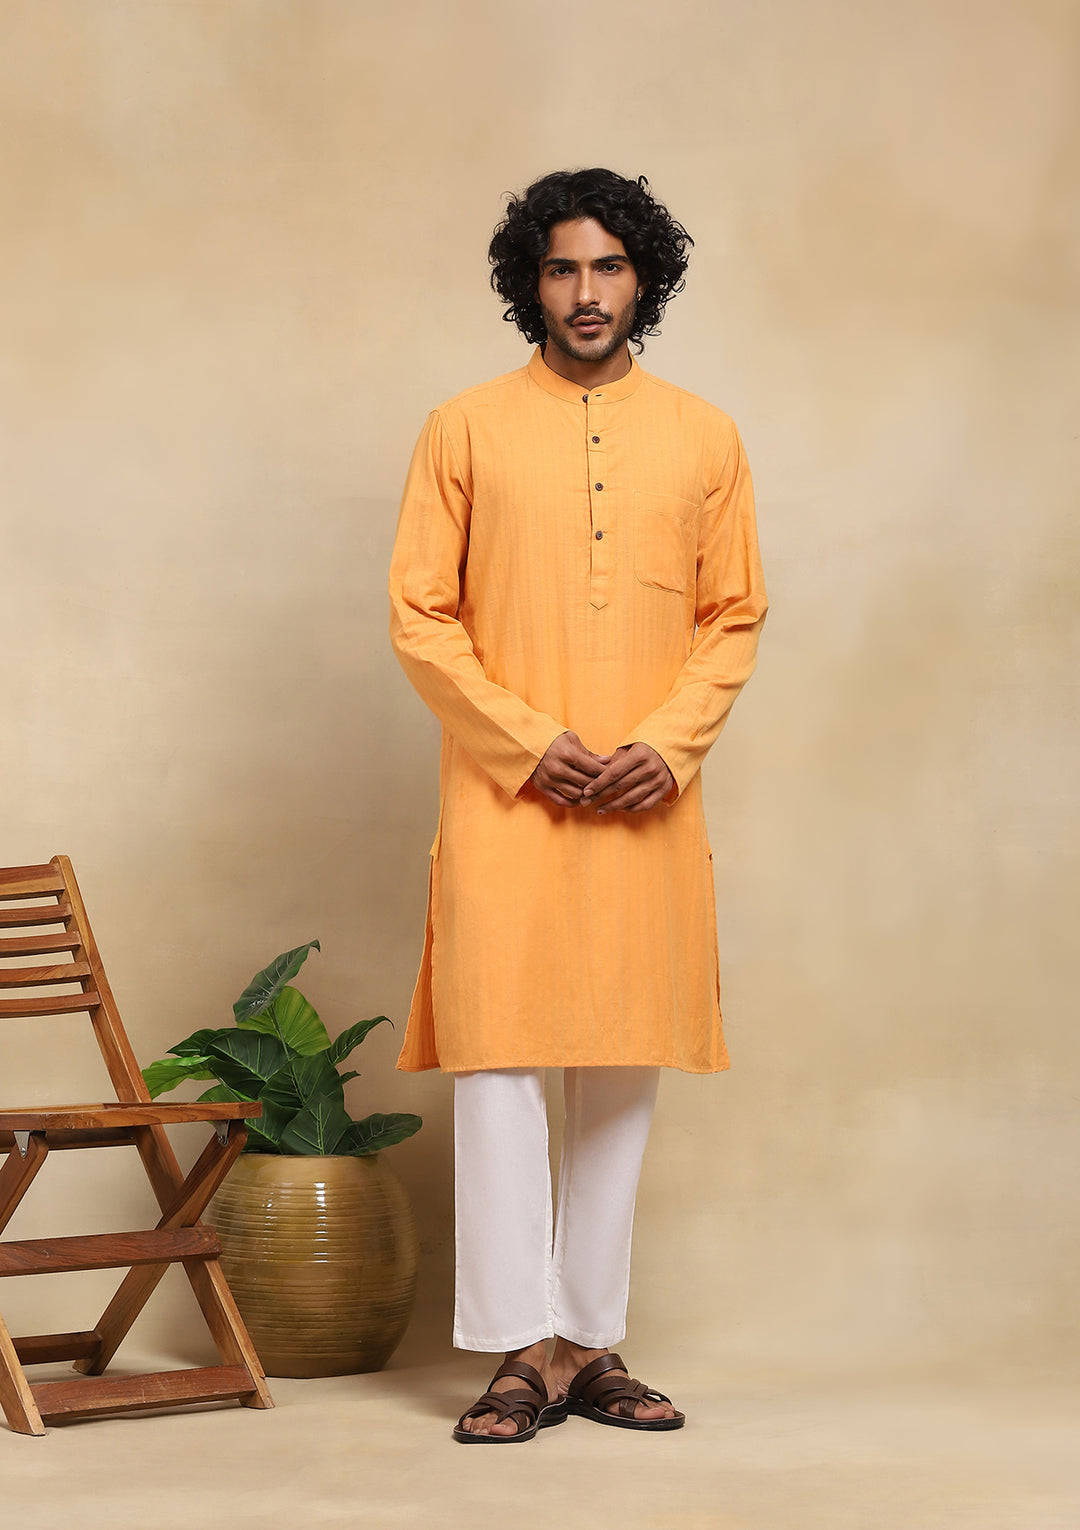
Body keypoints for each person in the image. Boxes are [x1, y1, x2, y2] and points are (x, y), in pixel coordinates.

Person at [388, 167, 767, 1442]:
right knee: (500, 1061)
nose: (587, 291)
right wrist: (526, 742)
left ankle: (591, 1345)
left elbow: (733, 615)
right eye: (563, 268)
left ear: (644, 279)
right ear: (530, 283)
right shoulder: (464, 429)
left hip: (647, 797)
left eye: (609, 266)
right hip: (508, 795)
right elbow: (420, 615)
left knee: (618, 1062)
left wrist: (669, 744)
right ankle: (517, 1352)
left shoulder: (706, 436)